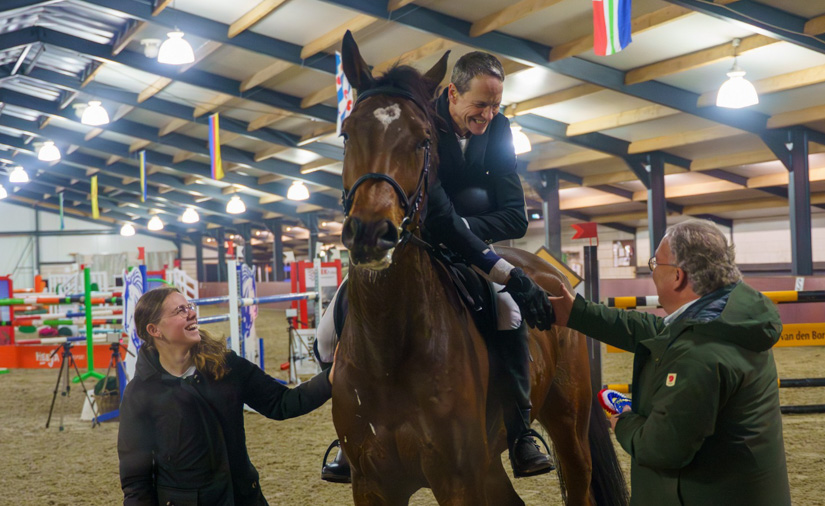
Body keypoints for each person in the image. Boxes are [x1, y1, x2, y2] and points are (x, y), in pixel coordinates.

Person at [319, 51, 554, 482]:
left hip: (465, 242)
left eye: (495, 105)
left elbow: (515, 217)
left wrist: (459, 229)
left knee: (509, 312)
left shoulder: (499, 131)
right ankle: (349, 434)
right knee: (328, 330)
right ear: (452, 92)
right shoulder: (423, 122)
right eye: (480, 104)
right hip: (413, 235)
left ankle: (520, 431)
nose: (488, 114)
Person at [549, 219, 791, 506]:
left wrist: (623, 419)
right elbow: (652, 330)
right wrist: (577, 313)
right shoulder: (727, 319)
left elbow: (661, 448)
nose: (653, 272)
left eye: (655, 264)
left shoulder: (699, 352)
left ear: (678, 276)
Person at [118, 286, 333, 505]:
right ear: (155, 330)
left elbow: (282, 403)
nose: (191, 313)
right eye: (180, 310)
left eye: (189, 306)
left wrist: (331, 379)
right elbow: (136, 480)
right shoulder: (140, 392)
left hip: (244, 498)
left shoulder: (227, 365)